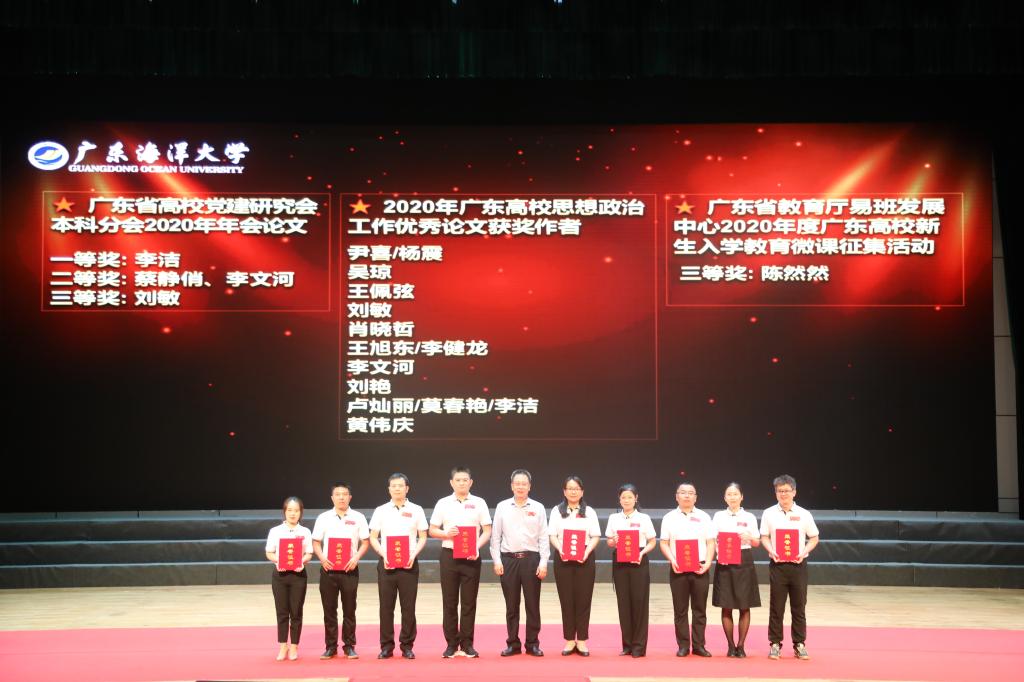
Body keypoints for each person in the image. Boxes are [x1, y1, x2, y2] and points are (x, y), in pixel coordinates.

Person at [429, 466, 492, 658]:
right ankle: (451, 644)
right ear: (451, 483)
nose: (462, 483)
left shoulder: (479, 502)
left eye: (465, 480)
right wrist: (445, 534)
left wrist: (475, 547)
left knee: (469, 602)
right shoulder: (443, 503)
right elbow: (432, 530)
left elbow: (487, 530)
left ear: (471, 482)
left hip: (471, 557)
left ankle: (467, 644)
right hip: (449, 556)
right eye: (458, 480)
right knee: (449, 602)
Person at [369, 473, 429, 660]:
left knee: (408, 607)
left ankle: (407, 646)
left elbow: (423, 536)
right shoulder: (380, 510)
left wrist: (413, 554)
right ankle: (386, 646)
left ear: (407, 488)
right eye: (393, 486)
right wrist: (384, 554)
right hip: (386, 564)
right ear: (389, 489)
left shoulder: (417, 509)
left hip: (409, 564)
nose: (397, 489)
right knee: (386, 608)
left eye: (400, 486)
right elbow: (373, 537)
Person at [760, 474, 820, 661]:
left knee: (799, 606)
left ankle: (799, 644)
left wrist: (803, 551)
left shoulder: (804, 514)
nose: (783, 494)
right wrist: (771, 550)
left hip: (798, 565)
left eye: (787, 490)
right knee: (776, 607)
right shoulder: (768, 513)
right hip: (778, 565)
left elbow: (814, 538)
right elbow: (764, 537)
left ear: (794, 492)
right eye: (780, 491)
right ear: (775, 493)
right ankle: (775, 643)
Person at [489, 468, 548, 657]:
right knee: (511, 606)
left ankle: (532, 644)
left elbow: (544, 537)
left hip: (532, 560)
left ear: (529, 486)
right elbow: (495, 536)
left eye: (524, 484)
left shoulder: (538, 507)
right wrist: (497, 560)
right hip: (509, 560)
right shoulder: (502, 507)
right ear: (511, 486)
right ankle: (513, 643)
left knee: (533, 605)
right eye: (517, 483)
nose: (520, 487)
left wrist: (544, 562)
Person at [312, 482, 370, 660]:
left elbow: (365, 542)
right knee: (329, 610)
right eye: (337, 494)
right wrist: (322, 558)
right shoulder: (323, 517)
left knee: (349, 609)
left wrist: (356, 558)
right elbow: (316, 542)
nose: (341, 497)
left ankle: (349, 646)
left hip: (349, 569)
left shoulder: (359, 517)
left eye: (345, 494)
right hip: (328, 570)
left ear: (350, 497)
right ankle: (330, 646)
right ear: (332, 498)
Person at [659, 481, 716, 657]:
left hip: (700, 567)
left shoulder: (704, 517)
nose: (687, 495)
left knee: (700, 609)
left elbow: (710, 542)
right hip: (678, 568)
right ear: (676, 496)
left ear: (695, 497)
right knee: (680, 609)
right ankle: (683, 645)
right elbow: (664, 543)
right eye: (683, 492)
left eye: (691, 493)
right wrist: (672, 560)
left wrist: (708, 562)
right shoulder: (669, 517)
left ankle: (699, 645)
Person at [548, 475, 601, 656]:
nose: (573, 492)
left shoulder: (590, 512)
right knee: (566, 599)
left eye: (576, 489)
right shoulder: (556, 511)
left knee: (584, 599)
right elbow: (552, 535)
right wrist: (560, 549)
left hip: (585, 558)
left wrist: (586, 552)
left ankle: (582, 640)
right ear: (564, 491)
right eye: (570, 488)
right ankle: (570, 640)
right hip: (563, 557)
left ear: (582, 492)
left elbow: (595, 536)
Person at [605, 483, 657, 658]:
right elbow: (609, 542)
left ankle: (639, 646)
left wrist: (642, 553)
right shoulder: (614, 518)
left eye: (629, 497)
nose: (626, 500)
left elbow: (652, 541)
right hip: (620, 562)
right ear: (619, 499)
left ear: (636, 498)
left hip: (638, 561)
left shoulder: (644, 518)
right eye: (623, 497)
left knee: (639, 603)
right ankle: (627, 644)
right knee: (624, 603)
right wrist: (614, 541)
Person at [711, 482, 761, 658]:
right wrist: (718, 550)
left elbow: (757, 542)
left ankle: (741, 646)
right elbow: (712, 539)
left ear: (742, 497)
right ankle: (731, 646)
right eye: (729, 494)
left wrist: (750, 537)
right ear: (725, 498)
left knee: (744, 606)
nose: (732, 497)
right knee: (726, 605)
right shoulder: (718, 516)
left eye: (735, 494)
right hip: (724, 561)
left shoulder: (750, 517)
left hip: (744, 560)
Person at [264, 496, 313, 661]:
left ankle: (294, 646)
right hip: (280, 575)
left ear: (301, 513)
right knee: (282, 611)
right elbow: (269, 552)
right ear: (284, 512)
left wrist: (301, 561)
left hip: (298, 575)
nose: (293, 514)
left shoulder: (305, 532)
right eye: (290, 510)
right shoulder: (275, 531)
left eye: (296, 510)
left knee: (296, 612)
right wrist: (279, 561)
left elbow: (309, 554)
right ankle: (283, 645)